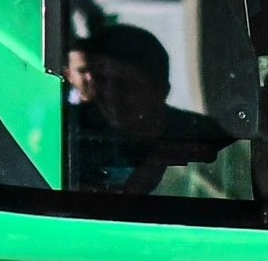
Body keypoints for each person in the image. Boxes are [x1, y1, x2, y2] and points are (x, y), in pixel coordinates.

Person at [68, 25, 233, 194]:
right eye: (101, 80)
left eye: (124, 85)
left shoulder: (203, 138)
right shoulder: (71, 131)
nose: (109, 95)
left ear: (161, 90)